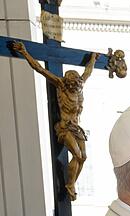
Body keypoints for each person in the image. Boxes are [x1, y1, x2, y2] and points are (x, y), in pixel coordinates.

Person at [10, 42, 98, 200]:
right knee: (77, 155)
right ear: (67, 83)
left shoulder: (80, 85)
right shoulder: (61, 85)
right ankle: (70, 185)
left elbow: (88, 71)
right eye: (73, 85)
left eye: (77, 85)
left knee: (83, 157)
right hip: (64, 128)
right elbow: (39, 69)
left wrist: (93, 58)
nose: (75, 87)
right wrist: (24, 51)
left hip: (77, 128)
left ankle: (72, 184)